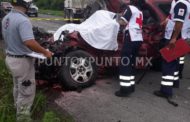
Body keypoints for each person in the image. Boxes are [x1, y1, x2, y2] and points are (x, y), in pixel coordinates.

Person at [1, 0, 53, 121]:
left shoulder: (7, 18)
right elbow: (29, 42)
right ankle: (23, 118)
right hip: (22, 62)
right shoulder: (23, 20)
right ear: (26, 4)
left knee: (18, 87)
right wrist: (45, 52)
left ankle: (17, 109)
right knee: (27, 92)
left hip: (10, 58)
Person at [154, 0, 190, 98]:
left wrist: (174, 38)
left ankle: (166, 91)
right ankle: (175, 82)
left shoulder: (181, 4)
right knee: (174, 62)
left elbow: (179, 22)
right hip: (182, 37)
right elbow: (173, 18)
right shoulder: (186, 3)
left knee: (168, 63)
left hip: (175, 37)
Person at [115, 0, 143, 97]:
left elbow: (123, 21)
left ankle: (124, 90)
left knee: (125, 63)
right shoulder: (140, 11)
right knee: (131, 63)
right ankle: (131, 86)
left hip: (131, 38)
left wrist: (115, 21)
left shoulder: (130, 8)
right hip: (138, 39)